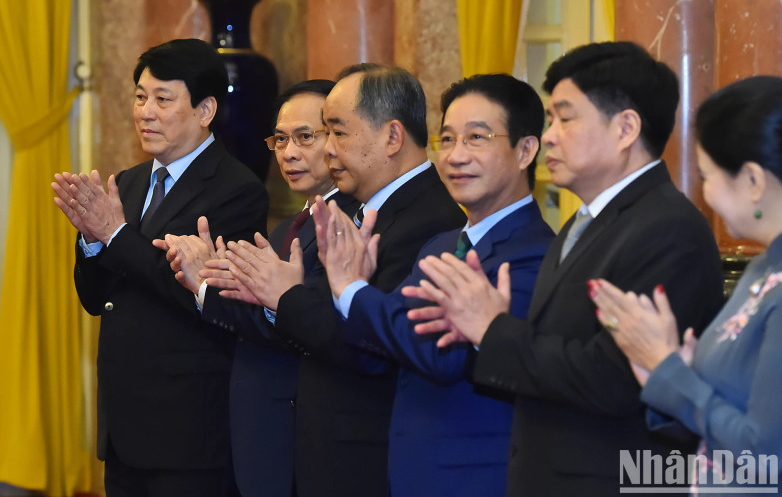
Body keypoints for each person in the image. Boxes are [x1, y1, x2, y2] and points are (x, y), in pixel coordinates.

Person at [402, 41, 725, 495]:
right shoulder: (584, 221)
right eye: (550, 119)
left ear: (625, 128)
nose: (549, 136)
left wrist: (492, 329)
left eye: (565, 118)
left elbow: (612, 380)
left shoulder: (667, 228)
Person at [209, 63, 467, 496]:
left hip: (365, 460)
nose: (327, 149)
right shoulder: (362, 210)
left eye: (338, 132)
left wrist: (284, 295)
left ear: (392, 137)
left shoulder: (428, 221)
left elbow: (371, 346)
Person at [312, 74, 555, 496]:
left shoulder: (536, 253)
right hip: (408, 471)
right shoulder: (441, 245)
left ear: (525, 150)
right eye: (448, 139)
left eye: (477, 138)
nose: (456, 156)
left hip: (473, 480)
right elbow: (391, 333)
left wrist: (351, 288)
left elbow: (439, 352)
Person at [51, 38, 268, 497]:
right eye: (140, 97)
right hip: (124, 428)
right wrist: (92, 242)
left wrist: (114, 235)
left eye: (163, 99)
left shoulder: (236, 190)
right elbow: (97, 300)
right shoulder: (128, 183)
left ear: (205, 109)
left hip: (187, 433)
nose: (145, 112)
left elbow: (209, 302)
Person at [156, 79, 359, 497]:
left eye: (305, 137)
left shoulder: (349, 225)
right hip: (259, 434)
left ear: (340, 139)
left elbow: (303, 327)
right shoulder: (288, 228)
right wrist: (216, 279)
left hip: (306, 436)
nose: (288, 153)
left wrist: (205, 288)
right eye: (280, 139)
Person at [591, 76, 782, 491]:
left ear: (753, 181)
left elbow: (766, 456)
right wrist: (677, 368)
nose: (704, 193)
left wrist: (669, 371)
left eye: (707, 176)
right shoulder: (763, 268)